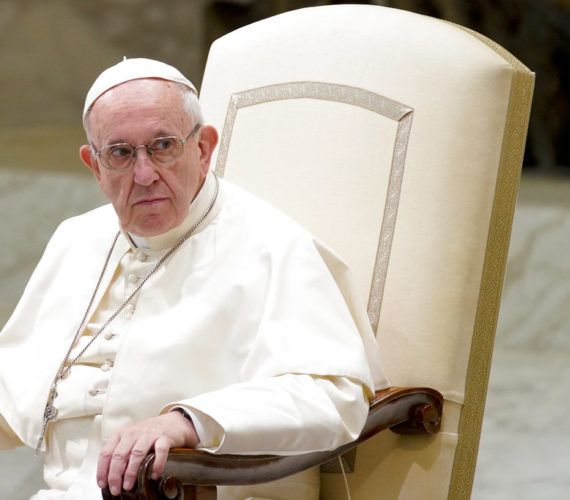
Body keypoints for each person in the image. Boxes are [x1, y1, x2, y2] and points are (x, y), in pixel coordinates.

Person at [0, 58, 387, 499]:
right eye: (121, 154)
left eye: (163, 146)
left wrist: (187, 421)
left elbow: (334, 397)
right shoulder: (78, 238)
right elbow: (13, 388)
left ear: (203, 148)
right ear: (95, 165)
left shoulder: (272, 245)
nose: (144, 175)